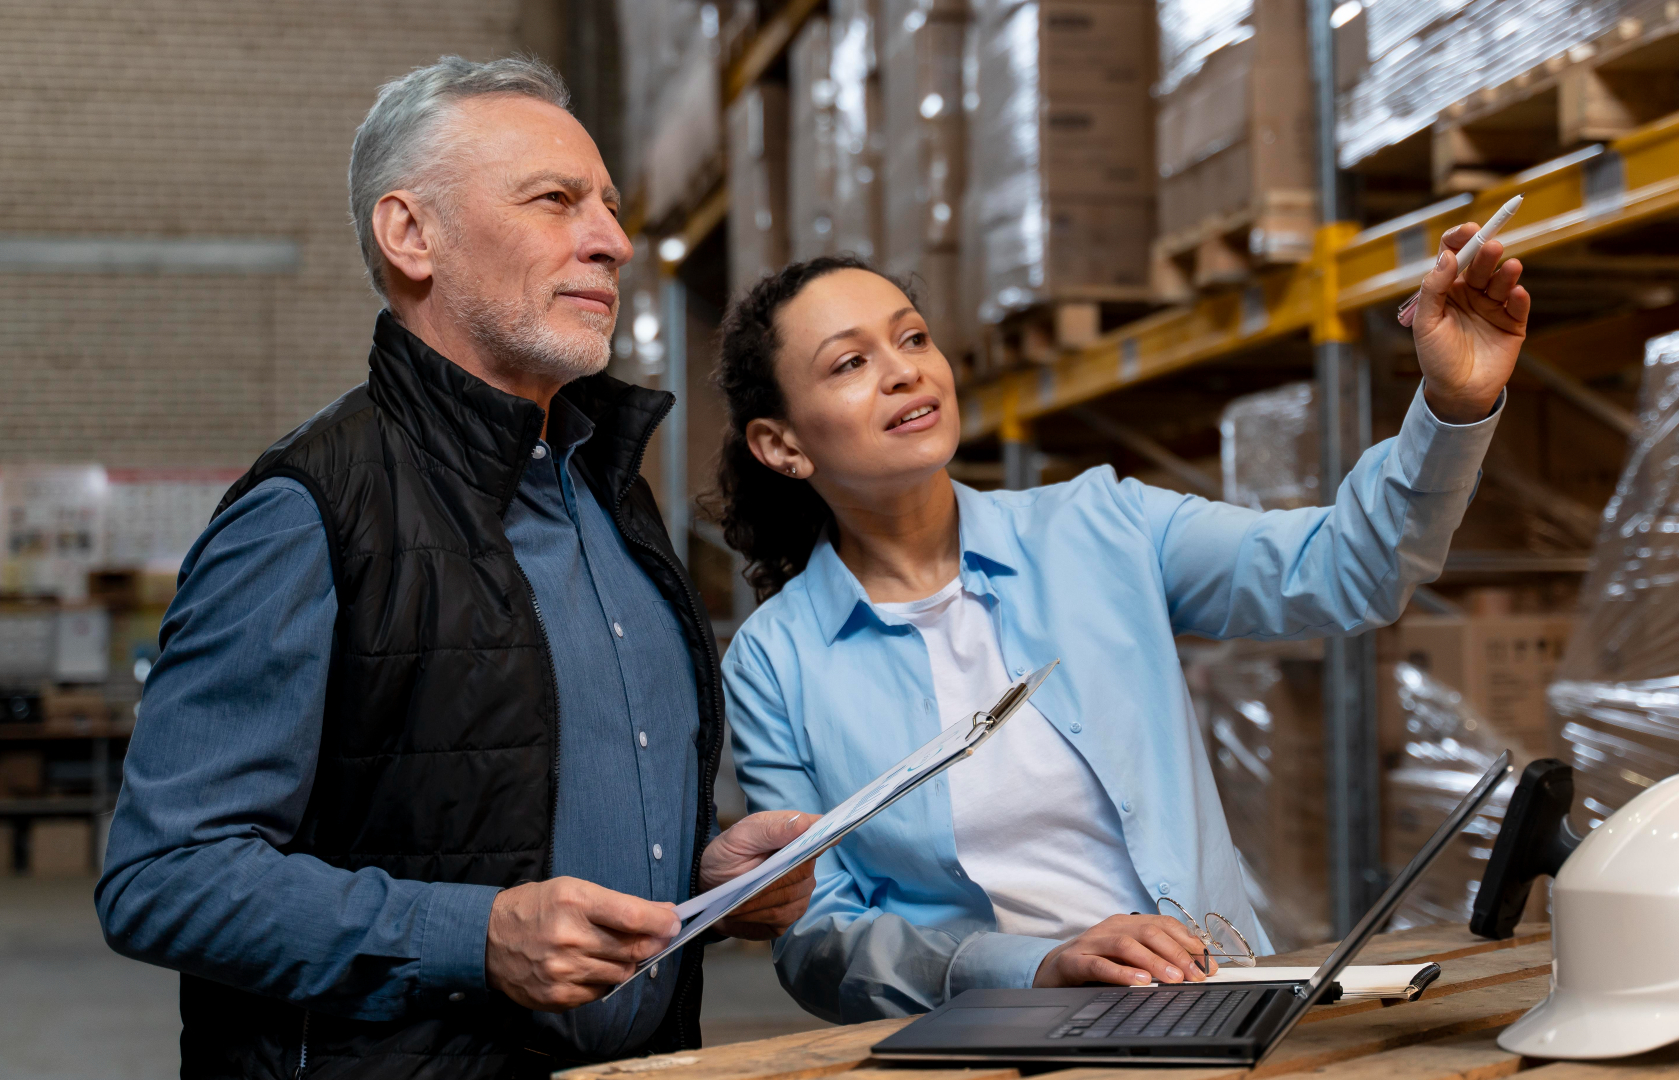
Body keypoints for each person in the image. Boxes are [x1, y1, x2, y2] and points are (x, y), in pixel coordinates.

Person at [94, 57, 819, 1077]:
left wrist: (701, 876)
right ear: (411, 234)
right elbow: (164, 877)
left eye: (608, 207)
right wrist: (474, 937)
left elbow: (515, 806)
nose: (612, 241)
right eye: (556, 201)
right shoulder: (312, 510)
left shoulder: (607, 491)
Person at [712, 242, 1529, 1022]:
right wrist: (1036, 964)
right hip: (982, 1042)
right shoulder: (774, 662)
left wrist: (1453, 406)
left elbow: (1349, 567)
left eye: (913, 337)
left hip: (1212, 1007)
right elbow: (814, 936)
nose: (903, 371)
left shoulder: (1103, 525)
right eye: (851, 363)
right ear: (781, 445)